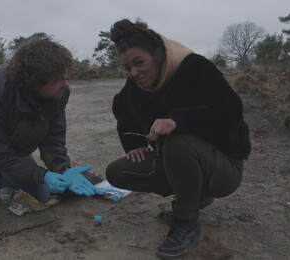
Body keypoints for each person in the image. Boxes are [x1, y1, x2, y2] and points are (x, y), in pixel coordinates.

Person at [105, 19, 251, 258]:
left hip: (225, 168)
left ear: (158, 53)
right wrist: (134, 144)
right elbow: (121, 106)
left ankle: (186, 221)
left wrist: (179, 119)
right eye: (128, 68)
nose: (134, 73)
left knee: (177, 140)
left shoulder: (194, 67)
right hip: (180, 160)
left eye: (139, 63)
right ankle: (194, 197)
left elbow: (231, 113)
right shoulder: (137, 85)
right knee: (116, 173)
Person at [0, 37, 96, 245]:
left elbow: (53, 138)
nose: (66, 84)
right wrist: (42, 174)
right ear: (35, 83)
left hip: (11, 149)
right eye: (57, 79)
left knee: (41, 196)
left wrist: (62, 169)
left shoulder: (60, 92)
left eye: (65, 76)